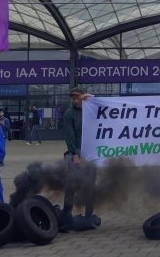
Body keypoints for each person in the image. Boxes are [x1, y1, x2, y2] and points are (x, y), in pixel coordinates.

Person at [60, 87, 95, 230]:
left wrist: (92, 97)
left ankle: (88, 218)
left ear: (83, 97)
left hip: (91, 155)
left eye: (78, 98)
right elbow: (69, 136)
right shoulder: (69, 114)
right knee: (71, 187)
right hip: (76, 155)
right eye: (73, 98)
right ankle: (66, 218)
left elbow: (106, 108)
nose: (75, 100)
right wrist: (74, 154)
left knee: (90, 187)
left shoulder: (91, 110)